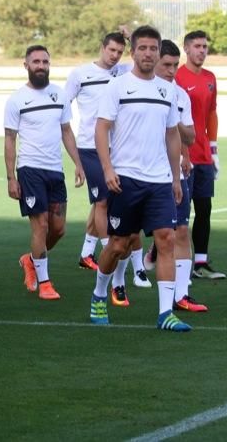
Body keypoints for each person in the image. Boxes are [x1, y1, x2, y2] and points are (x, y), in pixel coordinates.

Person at [89, 25, 191, 332]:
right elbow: (101, 128)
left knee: (167, 240)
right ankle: (98, 295)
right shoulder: (118, 87)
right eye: (143, 48)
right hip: (126, 179)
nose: (148, 53)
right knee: (119, 245)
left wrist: (175, 177)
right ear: (133, 52)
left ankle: (165, 313)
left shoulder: (168, 90)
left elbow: (172, 134)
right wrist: (107, 169)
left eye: (153, 48)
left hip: (159, 180)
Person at [64, 32, 151, 301]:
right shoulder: (80, 74)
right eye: (111, 50)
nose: (114, 56)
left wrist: (132, 34)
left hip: (120, 150)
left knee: (120, 204)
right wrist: (75, 159)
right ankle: (112, 263)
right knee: (102, 201)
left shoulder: (124, 71)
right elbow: (62, 106)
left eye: (119, 51)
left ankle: (94, 253)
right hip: (90, 147)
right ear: (102, 47)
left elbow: (150, 57)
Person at [4, 45, 85, 301]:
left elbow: (66, 131)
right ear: (26, 65)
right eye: (36, 61)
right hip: (29, 169)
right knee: (40, 225)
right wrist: (10, 178)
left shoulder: (59, 95)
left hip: (54, 170)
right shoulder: (16, 99)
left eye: (45, 62)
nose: (41, 66)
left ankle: (31, 260)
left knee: (58, 229)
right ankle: (45, 283)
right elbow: (9, 139)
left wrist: (79, 164)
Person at [154, 40, 208, 312]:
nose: (172, 70)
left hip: (172, 173)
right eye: (167, 65)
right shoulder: (140, 90)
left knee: (181, 231)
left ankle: (181, 295)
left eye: (175, 65)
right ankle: (111, 285)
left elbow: (189, 135)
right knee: (122, 241)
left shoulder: (180, 96)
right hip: (141, 174)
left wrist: (174, 121)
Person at [175, 30, 226, 280]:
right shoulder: (177, 77)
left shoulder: (210, 78)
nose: (202, 51)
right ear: (186, 48)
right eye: (197, 46)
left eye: (205, 46)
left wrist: (214, 149)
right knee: (179, 211)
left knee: (204, 208)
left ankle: (201, 263)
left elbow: (211, 114)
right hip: (184, 154)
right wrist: (181, 152)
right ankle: (161, 253)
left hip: (203, 154)